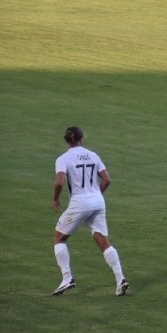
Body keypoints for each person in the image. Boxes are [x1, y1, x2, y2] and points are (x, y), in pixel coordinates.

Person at [50, 126, 128, 297]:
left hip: (79, 202)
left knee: (59, 238)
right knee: (102, 240)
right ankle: (120, 278)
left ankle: (67, 278)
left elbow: (59, 182)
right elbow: (107, 179)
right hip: (98, 201)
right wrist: (95, 196)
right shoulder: (93, 155)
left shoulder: (63, 159)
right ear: (82, 138)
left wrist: (55, 198)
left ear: (67, 140)